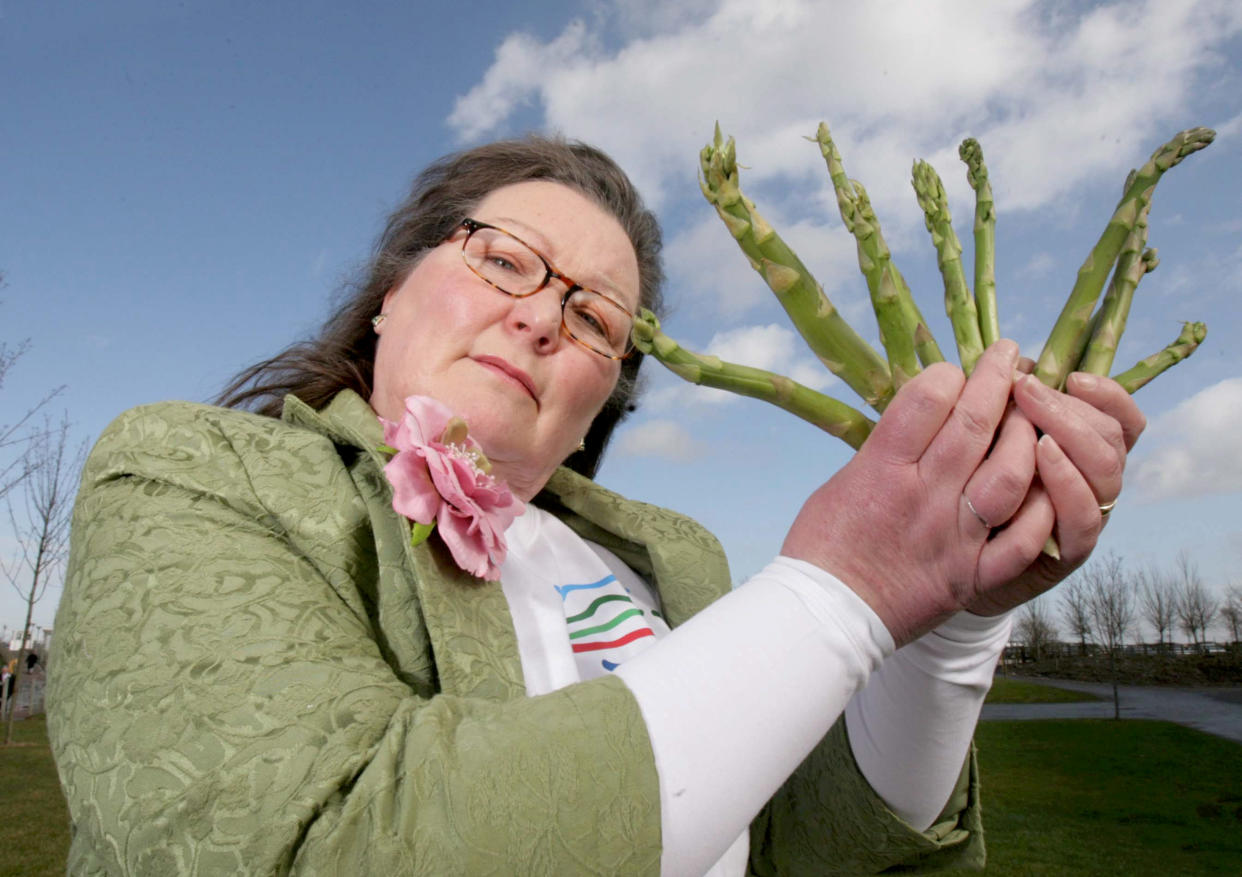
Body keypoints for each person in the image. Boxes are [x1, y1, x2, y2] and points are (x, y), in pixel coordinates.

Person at [47, 136, 1143, 875]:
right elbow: (319, 846)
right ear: (389, 294)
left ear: (599, 405)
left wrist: (951, 620)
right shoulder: (189, 470)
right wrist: (847, 588)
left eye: (595, 321)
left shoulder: (680, 560)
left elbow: (827, 851)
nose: (539, 320)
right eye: (506, 261)